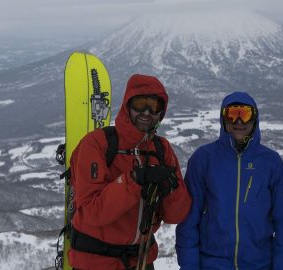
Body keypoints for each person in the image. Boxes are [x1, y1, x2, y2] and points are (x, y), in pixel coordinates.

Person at [68, 74, 192, 270]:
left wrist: (171, 190)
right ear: (127, 106)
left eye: (154, 106)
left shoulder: (161, 149)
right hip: (96, 262)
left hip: (141, 260)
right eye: (140, 103)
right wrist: (134, 180)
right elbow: (92, 213)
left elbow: (175, 216)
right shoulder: (97, 144)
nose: (146, 112)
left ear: (162, 112)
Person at [175, 91, 283, 270]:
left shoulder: (270, 162)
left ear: (255, 119)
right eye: (232, 115)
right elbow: (188, 220)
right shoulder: (204, 159)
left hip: (260, 264)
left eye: (245, 114)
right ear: (223, 119)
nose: (239, 122)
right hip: (212, 264)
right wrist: (189, 266)